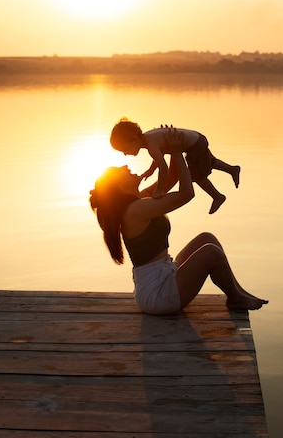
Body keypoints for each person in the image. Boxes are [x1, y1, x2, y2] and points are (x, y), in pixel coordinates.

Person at [90, 128, 268, 315]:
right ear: (119, 186)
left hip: (164, 275)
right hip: (157, 294)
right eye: (120, 170)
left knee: (207, 239)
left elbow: (173, 177)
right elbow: (186, 194)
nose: (126, 167)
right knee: (211, 253)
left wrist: (173, 147)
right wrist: (175, 152)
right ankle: (236, 298)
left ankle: (237, 292)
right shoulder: (136, 210)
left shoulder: (140, 201)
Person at [110, 118, 240, 214]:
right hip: (196, 139)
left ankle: (217, 196)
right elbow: (160, 161)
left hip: (192, 145)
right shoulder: (150, 138)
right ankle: (232, 169)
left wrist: (159, 190)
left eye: (124, 149)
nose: (125, 154)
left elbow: (164, 168)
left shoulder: (150, 146)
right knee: (208, 162)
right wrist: (151, 170)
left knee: (196, 175)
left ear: (133, 139)